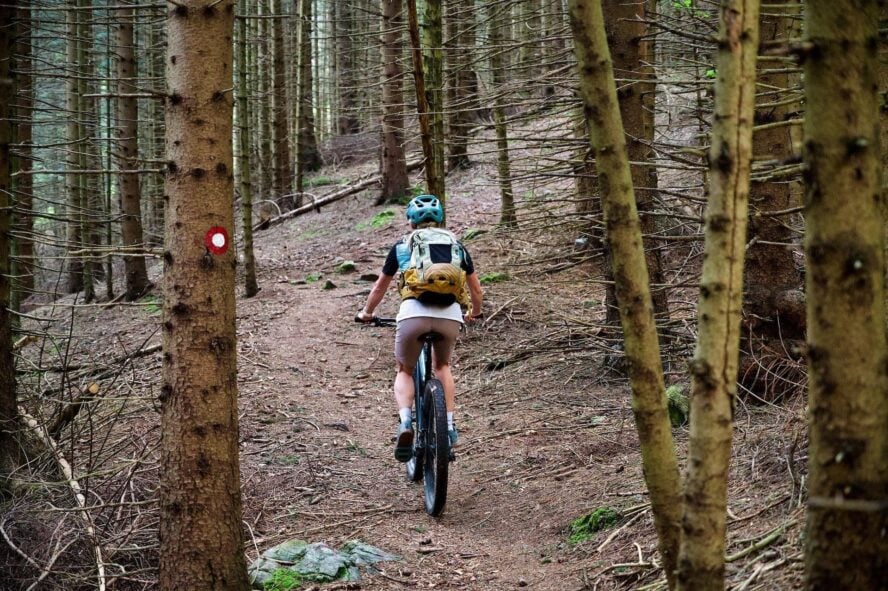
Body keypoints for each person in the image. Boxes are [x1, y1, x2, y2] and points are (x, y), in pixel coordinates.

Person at [356, 195, 483, 462]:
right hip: (450, 315)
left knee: (404, 369)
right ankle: (448, 426)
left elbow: (379, 287)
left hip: (413, 314)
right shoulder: (457, 246)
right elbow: (476, 289)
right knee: (443, 367)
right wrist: (474, 312)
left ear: (410, 221)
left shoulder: (403, 246)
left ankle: (405, 422)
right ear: (440, 219)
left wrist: (367, 313)